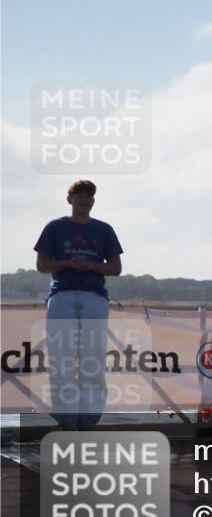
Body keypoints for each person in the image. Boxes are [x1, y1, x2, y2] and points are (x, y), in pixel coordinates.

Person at [34, 180, 123, 431]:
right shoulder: (55, 227)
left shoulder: (104, 229)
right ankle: (67, 420)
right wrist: (67, 263)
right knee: (62, 360)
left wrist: (91, 266)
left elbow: (115, 268)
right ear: (69, 199)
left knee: (93, 360)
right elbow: (42, 264)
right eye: (80, 196)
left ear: (93, 201)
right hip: (62, 295)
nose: (84, 200)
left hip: (94, 297)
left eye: (89, 196)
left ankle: (88, 420)